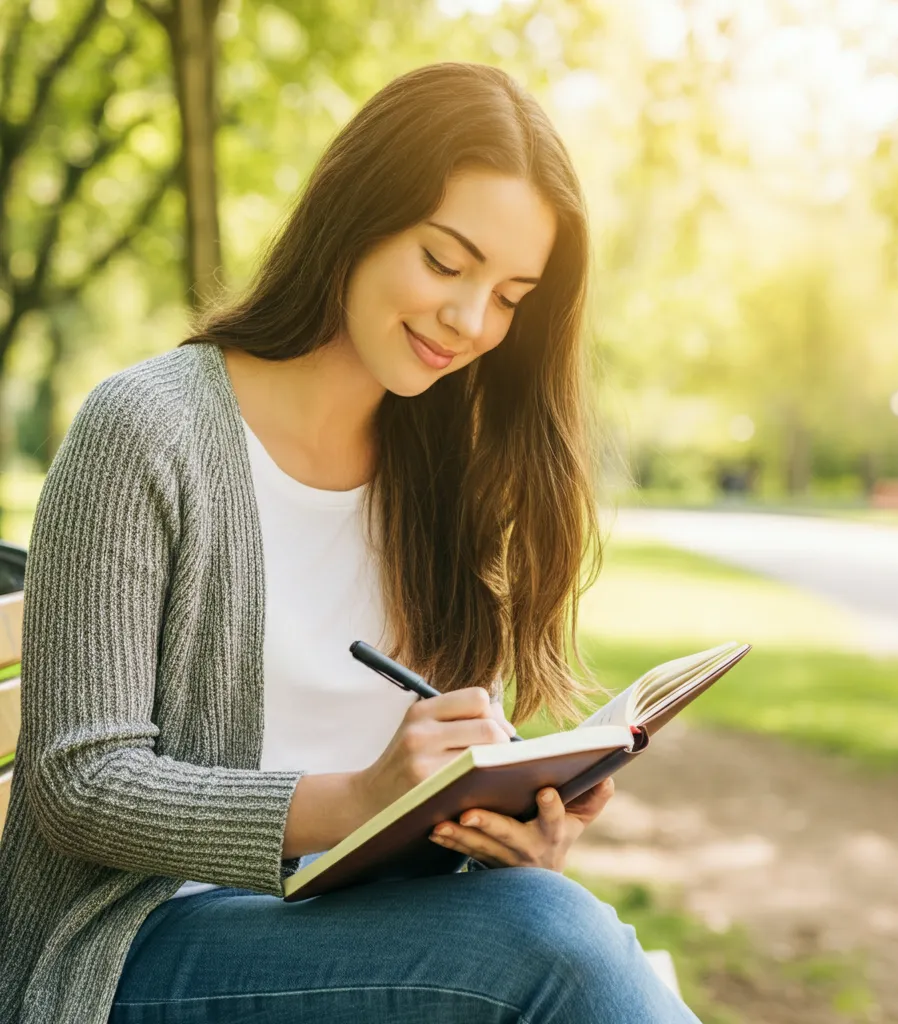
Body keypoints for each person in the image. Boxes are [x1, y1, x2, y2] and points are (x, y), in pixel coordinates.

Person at [0, 62, 702, 1024]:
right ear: (359, 215)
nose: (470, 320)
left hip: (344, 927)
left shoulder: (439, 468)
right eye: (447, 263)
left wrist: (494, 832)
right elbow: (80, 785)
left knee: (546, 922)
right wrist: (359, 797)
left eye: (510, 296)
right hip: (134, 951)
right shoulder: (146, 431)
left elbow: (414, 798)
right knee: (560, 955)